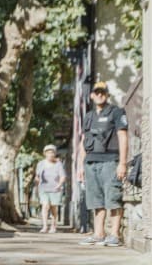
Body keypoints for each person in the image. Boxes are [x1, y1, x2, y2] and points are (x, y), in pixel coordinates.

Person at [77, 81, 128, 247]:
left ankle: (114, 235)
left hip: (110, 161)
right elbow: (83, 141)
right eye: (96, 92)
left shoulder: (116, 112)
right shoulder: (89, 116)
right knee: (95, 200)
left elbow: (123, 137)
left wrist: (122, 163)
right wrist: (80, 165)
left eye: (103, 92)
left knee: (113, 197)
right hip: (91, 162)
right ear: (92, 95)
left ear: (107, 94)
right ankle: (98, 234)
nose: (99, 95)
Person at [35, 144, 66, 233]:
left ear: (55, 153)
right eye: (48, 152)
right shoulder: (40, 164)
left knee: (53, 208)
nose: (50, 154)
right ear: (45, 153)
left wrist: (59, 185)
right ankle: (44, 226)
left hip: (55, 189)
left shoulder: (58, 164)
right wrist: (37, 185)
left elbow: (62, 176)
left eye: (52, 152)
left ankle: (53, 226)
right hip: (43, 188)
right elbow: (37, 176)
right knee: (45, 206)